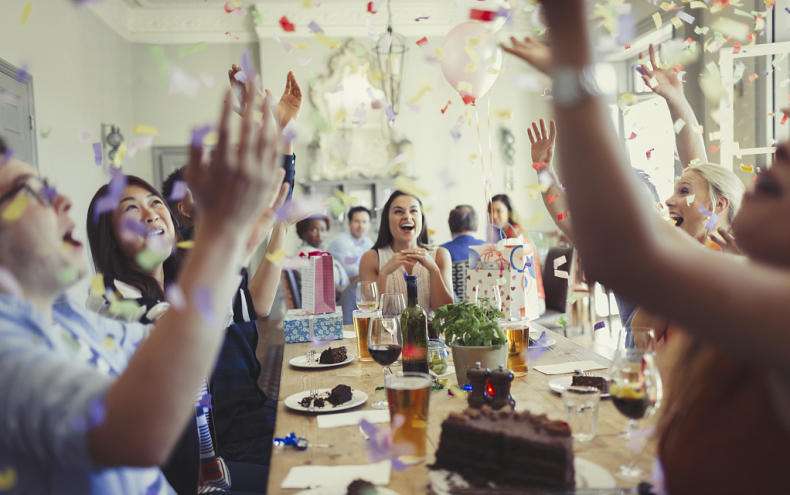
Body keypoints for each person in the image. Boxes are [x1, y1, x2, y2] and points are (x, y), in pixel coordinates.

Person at [504, 4, 789, 492]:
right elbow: (692, 165)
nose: (782, 146)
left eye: (685, 192)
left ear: (720, 205)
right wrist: (676, 99)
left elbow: (615, 243)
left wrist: (574, 62)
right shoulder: (720, 260)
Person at [0, 79, 283, 494]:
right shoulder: (11, 347)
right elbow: (135, 432)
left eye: (155, 204)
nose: (61, 201)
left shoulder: (68, 317)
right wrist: (224, 238)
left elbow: (173, 346)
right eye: (30, 192)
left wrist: (242, 239)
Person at [527, 117, 743, 329]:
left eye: (684, 191)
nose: (668, 201)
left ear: (719, 205)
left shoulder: (744, 266)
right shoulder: (648, 252)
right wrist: (543, 168)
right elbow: (570, 221)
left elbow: (697, 163)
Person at [358, 190, 454, 312]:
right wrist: (384, 273)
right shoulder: (371, 258)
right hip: (388, 330)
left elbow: (447, 312)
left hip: (430, 331)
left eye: (413, 211)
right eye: (398, 211)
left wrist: (433, 270)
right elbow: (372, 313)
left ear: (422, 219)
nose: (407, 216)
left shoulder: (440, 255)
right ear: (387, 219)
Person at [486, 193, 546, 303]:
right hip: (517, 297)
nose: (493, 216)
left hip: (531, 300)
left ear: (509, 212)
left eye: (498, 211)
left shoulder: (516, 233)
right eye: (491, 212)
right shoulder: (500, 235)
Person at [295, 214, 349, 302]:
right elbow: (327, 292)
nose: (320, 235)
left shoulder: (319, 252)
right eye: (314, 230)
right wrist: (351, 288)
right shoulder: (307, 255)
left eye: (323, 230)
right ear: (303, 232)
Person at [327, 206, 374, 282]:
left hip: (360, 285)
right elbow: (350, 272)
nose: (361, 226)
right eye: (357, 221)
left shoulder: (369, 242)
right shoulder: (340, 242)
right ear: (349, 223)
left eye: (364, 222)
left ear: (369, 225)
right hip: (340, 290)